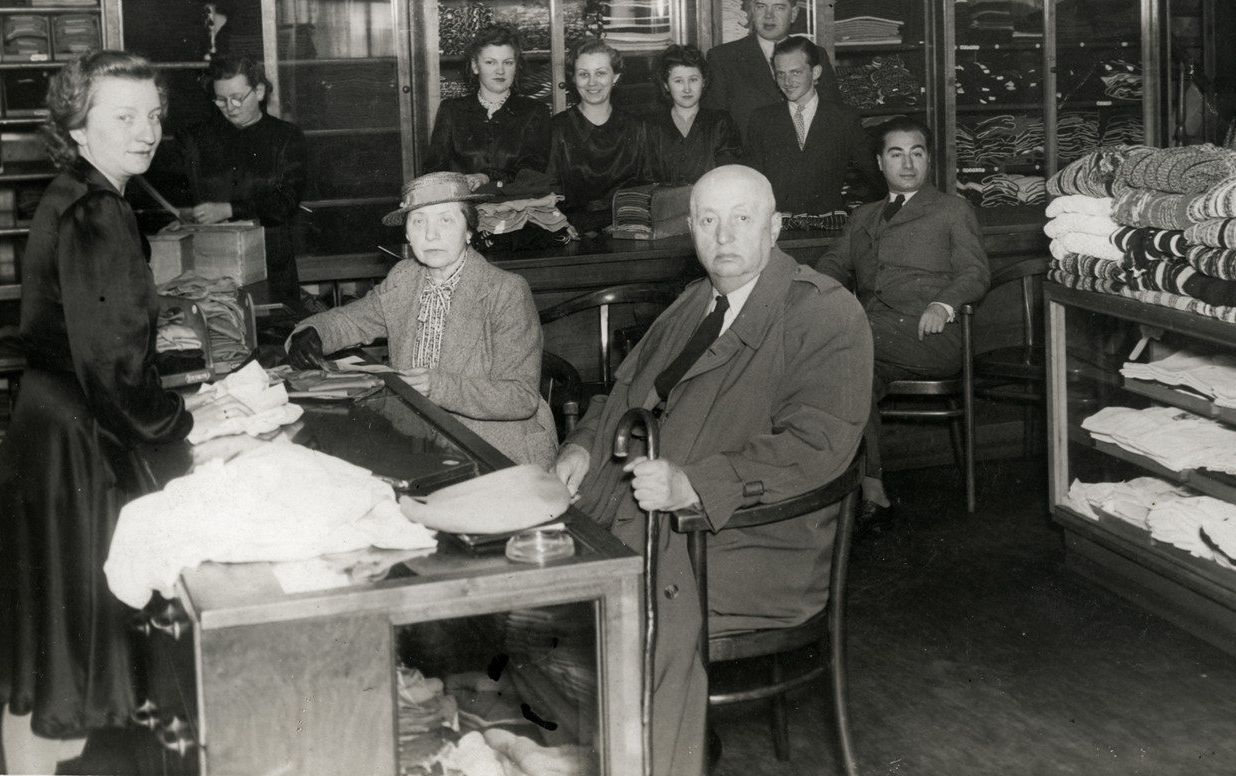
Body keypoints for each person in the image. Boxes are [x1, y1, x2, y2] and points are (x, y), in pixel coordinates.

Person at [553, 166, 870, 776]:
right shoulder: (693, 303)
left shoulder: (824, 312)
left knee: (625, 602)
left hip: (748, 540)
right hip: (647, 516)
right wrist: (584, 448)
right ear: (690, 229)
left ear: (774, 228)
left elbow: (818, 445)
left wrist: (695, 484)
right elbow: (619, 398)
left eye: (741, 219)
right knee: (530, 577)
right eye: (707, 220)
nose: (724, 236)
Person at [0, 51, 244, 774]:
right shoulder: (101, 209)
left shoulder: (78, 193)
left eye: (154, 115)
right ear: (79, 123)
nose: (146, 131)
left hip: (49, 427)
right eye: (123, 116)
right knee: (70, 651)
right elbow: (112, 366)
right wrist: (189, 421)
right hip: (75, 442)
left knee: (49, 649)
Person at [287, 171, 554, 468]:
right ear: (407, 235)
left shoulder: (505, 291)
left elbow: (520, 397)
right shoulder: (405, 276)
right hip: (422, 438)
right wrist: (313, 331)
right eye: (419, 221)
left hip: (497, 450)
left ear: (469, 230)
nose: (431, 234)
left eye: (446, 220)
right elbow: (354, 320)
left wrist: (437, 386)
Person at [816, 118, 990, 532]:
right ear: (880, 162)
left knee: (840, 345)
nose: (908, 163)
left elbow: (976, 273)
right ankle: (872, 491)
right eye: (897, 153)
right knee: (850, 374)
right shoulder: (863, 216)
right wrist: (803, 293)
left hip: (931, 336)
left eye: (917, 153)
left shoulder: (952, 209)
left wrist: (944, 303)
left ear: (928, 159)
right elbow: (833, 266)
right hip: (873, 338)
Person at [176, 54, 308, 310]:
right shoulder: (195, 138)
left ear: (258, 91)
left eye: (237, 97)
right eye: (221, 100)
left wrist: (229, 210)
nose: (230, 106)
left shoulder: (286, 137)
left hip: (270, 261)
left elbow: (286, 202)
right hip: (210, 262)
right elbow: (178, 193)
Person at [740, 36, 879, 215]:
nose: (787, 82)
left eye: (795, 72)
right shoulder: (762, 119)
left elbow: (876, 173)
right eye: (781, 74)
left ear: (816, 73)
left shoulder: (843, 118)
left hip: (829, 229)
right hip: (778, 229)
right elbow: (751, 180)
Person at [701, 0, 840, 135]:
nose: (768, 15)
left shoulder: (816, 54)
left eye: (778, 7)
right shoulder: (723, 58)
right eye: (761, 6)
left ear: (794, 14)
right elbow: (715, 127)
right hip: (748, 158)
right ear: (752, 9)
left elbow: (834, 115)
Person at [424, 22, 551, 196]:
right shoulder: (451, 110)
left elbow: (532, 169)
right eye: (490, 62)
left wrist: (487, 177)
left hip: (517, 210)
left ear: (516, 66)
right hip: (462, 211)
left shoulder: (535, 111)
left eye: (508, 62)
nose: (500, 71)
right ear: (476, 66)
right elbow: (435, 170)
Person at [546, 40, 650, 233]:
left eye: (600, 73)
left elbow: (646, 188)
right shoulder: (557, 127)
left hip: (625, 229)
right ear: (574, 79)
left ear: (615, 76)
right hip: (569, 231)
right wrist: (558, 224)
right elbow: (548, 189)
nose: (592, 82)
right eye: (584, 74)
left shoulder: (636, 128)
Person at [643, 43, 740, 185]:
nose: (687, 89)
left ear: (704, 82)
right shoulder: (650, 126)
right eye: (678, 81)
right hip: (664, 204)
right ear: (666, 85)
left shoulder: (721, 122)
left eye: (693, 80)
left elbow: (728, 174)